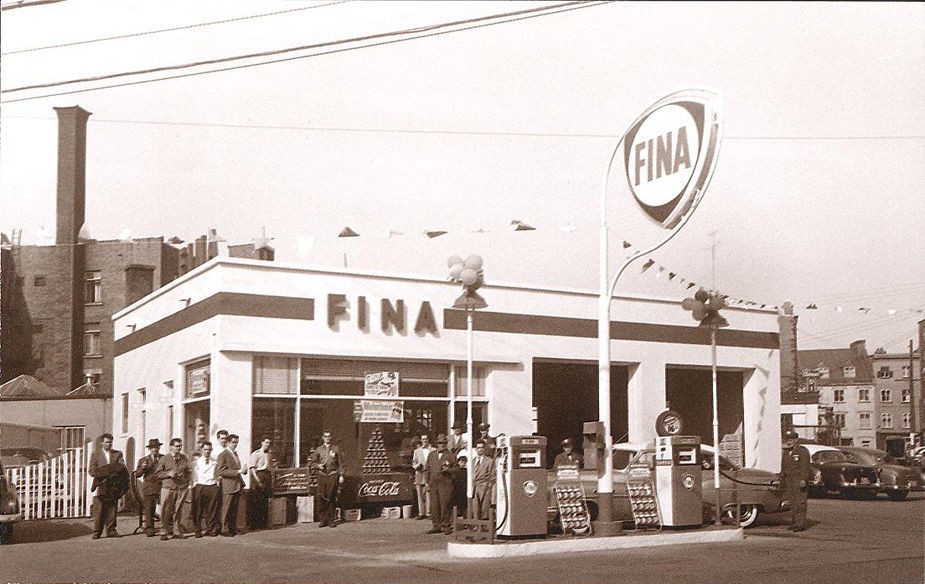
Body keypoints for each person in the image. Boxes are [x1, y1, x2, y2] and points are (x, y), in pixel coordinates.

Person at [88, 433, 129, 539]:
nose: (108, 444)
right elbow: (91, 470)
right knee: (100, 508)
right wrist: (102, 474)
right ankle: (97, 531)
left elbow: (122, 467)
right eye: (106, 442)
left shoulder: (118, 454)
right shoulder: (95, 454)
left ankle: (111, 530)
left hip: (114, 484)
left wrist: (115, 474)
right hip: (102, 484)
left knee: (112, 508)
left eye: (110, 442)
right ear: (102, 443)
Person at [156, 437, 192, 540]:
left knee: (178, 510)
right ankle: (164, 531)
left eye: (180, 446)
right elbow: (158, 474)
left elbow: (189, 471)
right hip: (168, 488)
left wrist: (187, 481)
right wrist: (168, 473)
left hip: (181, 488)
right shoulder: (164, 458)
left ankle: (177, 531)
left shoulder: (184, 458)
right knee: (165, 510)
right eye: (177, 446)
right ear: (171, 447)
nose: (179, 448)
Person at [424, 434, 457, 534]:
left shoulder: (451, 455)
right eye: (439, 443)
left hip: (445, 483)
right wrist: (426, 482)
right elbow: (427, 469)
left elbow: (456, 469)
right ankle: (436, 525)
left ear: (446, 444)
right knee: (434, 505)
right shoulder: (432, 454)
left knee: (445, 505)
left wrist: (449, 470)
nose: (441, 445)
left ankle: (446, 525)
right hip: (433, 483)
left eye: (443, 443)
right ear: (436, 443)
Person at [310, 430, 344, 528]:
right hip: (322, 475)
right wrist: (318, 465)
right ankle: (322, 519)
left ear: (331, 437)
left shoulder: (336, 449)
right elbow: (312, 463)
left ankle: (331, 520)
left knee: (331, 496)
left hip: (333, 474)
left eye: (329, 436)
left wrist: (341, 475)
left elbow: (341, 463)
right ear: (323, 438)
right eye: (326, 436)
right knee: (321, 496)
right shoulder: (318, 449)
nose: (327, 438)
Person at [780, 429, 812, 532]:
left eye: (791, 440)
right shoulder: (786, 452)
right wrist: (781, 476)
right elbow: (784, 467)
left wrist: (803, 479)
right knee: (792, 502)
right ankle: (794, 522)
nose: (789, 442)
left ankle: (800, 524)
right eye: (787, 440)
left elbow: (804, 467)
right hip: (789, 481)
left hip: (798, 480)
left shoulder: (802, 451)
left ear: (796, 440)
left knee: (800, 502)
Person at [216, 433, 247, 536]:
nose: (235, 444)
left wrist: (243, 471)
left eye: (237, 442)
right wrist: (238, 472)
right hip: (228, 485)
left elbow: (237, 469)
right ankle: (224, 529)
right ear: (228, 442)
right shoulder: (223, 455)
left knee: (234, 508)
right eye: (233, 442)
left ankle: (232, 528)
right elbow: (221, 471)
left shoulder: (235, 454)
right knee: (226, 508)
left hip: (236, 484)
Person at [134, 438, 163, 537]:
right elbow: (137, 475)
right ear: (149, 449)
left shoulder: (163, 458)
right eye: (152, 448)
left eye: (156, 447)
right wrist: (142, 468)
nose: (155, 450)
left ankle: (166, 525)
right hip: (149, 486)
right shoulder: (144, 460)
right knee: (149, 507)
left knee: (167, 506)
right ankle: (150, 527)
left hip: (162, 486)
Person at [191, 440, 220, 537]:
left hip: (212, 485)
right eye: (205, 449)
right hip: (200, 486)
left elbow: (217, 473)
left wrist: (217, 483)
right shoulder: (196, 462)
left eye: (209, 449)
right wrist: (194, 484)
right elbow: (193, 475)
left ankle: (210, 529)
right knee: (198, 509)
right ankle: (198, 530)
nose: (207, 451)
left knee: (212, 509)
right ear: (202, 450)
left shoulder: (215, 461)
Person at [249, 437, 275, 529]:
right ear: (262, 442)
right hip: (259, 475)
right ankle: (254, 524)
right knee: (256, 500)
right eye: (266, 442)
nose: (268, 444)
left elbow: (270, 466)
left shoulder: (269, 454)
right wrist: (257, 481)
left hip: (267, 476)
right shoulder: (256, 454)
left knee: (265, 500)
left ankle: (263, 523)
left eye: (269, 443)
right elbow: (252, 469)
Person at [471, 440, 495, 520]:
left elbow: (493, 475)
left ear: (484, 448)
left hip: (484, 486)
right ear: (475, 449)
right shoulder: (473, 460)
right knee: (475, 506)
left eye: (481, 447)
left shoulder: (489, 461)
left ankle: (485, 524)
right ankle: (476, 524)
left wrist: (488, 486)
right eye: (478, 448)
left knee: (485, 506)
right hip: (474, 486)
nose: (480, 449)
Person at [411, 434, 434, 520]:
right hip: (420, 473)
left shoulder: (433, 450)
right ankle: (421, 512)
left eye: (426, 439)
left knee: (428, 492)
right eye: (423, 439)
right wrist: (416, 466)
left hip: (429, 473)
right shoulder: (417, 451)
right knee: (419, 493)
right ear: (421, 440)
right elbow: (414, 462)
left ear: (428, 440)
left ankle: (429, 512)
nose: (425, 441)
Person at [212, 429, 230, 533]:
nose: (224, 440)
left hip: (227, 480)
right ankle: (217, 526)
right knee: (217, 504)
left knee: (225, 504)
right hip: (218, 480)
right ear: (218, 439)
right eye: (222, 438)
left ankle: (224, 525)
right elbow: (214, 467)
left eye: (226, 438)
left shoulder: (229, 450)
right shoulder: (215, 452)